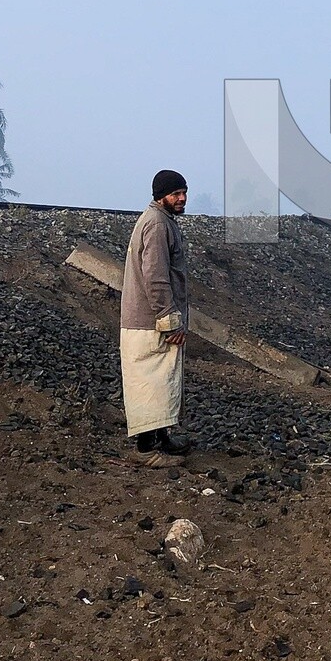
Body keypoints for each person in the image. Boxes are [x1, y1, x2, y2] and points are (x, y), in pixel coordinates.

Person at [119, 168, 194, 466]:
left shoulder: (162, 220)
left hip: (150, 320)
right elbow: (156, 277)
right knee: (149, 384)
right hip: (148, 322)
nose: (182, 198)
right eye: (176, 193)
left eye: (184, 192)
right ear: (160, 195)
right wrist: (169, 319)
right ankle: (146, 450)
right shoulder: (156, 225)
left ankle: (162, 438)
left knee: (162, 382)